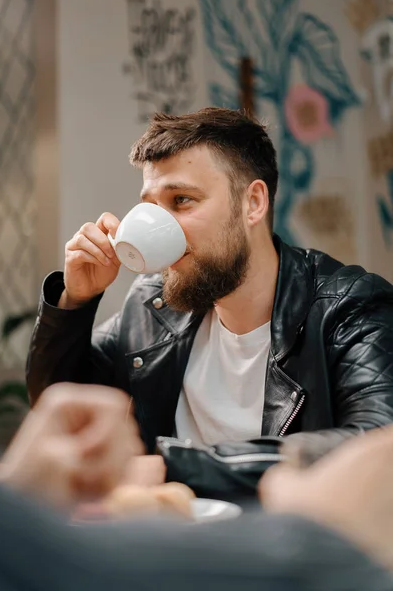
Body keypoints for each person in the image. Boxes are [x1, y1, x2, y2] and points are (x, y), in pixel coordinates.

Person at [26, 107, 393, 466]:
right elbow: (61, 412)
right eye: (151, 206)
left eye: (181, 200)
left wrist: (174, 464)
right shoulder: (153, 305)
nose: (158, 225)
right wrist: (74, 300)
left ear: (253, 203)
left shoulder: (349, 307)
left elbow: (378, 444)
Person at [0, 382, 393, 591]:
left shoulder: (345, 298)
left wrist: (17, 487)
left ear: (252, 217)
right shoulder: (152, 303)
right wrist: (71, 309)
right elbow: (77, 571)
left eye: (182, 216)